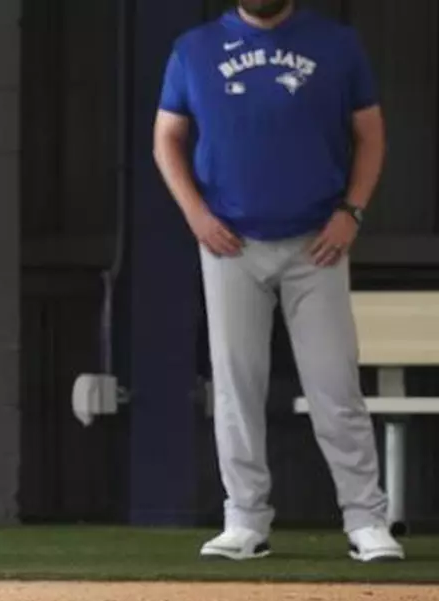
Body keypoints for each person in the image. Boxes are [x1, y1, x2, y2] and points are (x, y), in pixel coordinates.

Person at [152, 0, 403, 562]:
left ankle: (366, 519)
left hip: (317, 243)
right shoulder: (194, 49)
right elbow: (166, 138)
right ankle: (244, 519)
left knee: (335, 385)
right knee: (237, 386)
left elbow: (372, 134)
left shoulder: (337, 45)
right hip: (230, 244)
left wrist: (352, 212)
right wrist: (196, 214)